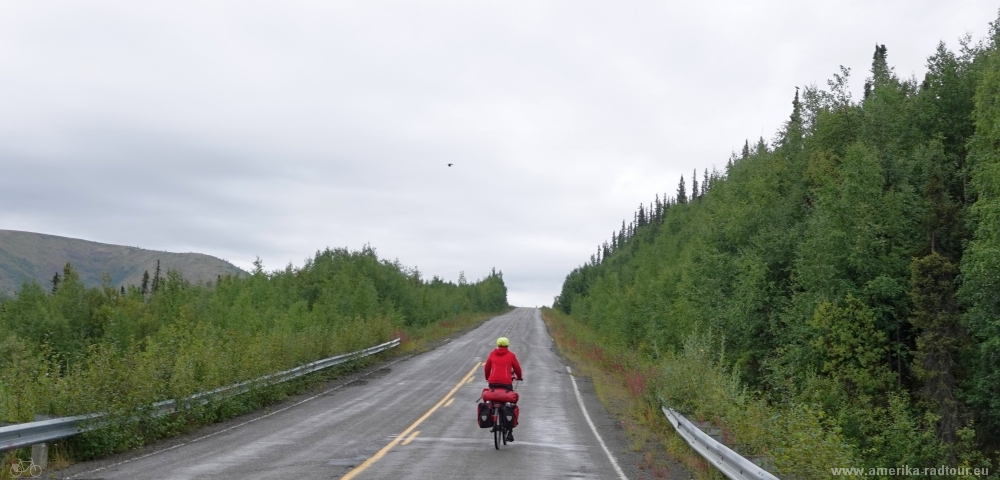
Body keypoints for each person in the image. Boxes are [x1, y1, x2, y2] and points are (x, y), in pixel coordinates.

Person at [484, 337, 522, 441]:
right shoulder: (511, 355)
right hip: (506, 383)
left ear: (498, 345)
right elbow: (517, 368)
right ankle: (509, 431)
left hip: (492, 382)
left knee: (493, 398)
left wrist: (487, 377)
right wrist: (519, 377)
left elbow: (487, 367)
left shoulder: (492, 354)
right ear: (507, 345)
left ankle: (492, 414)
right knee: (509, 403)